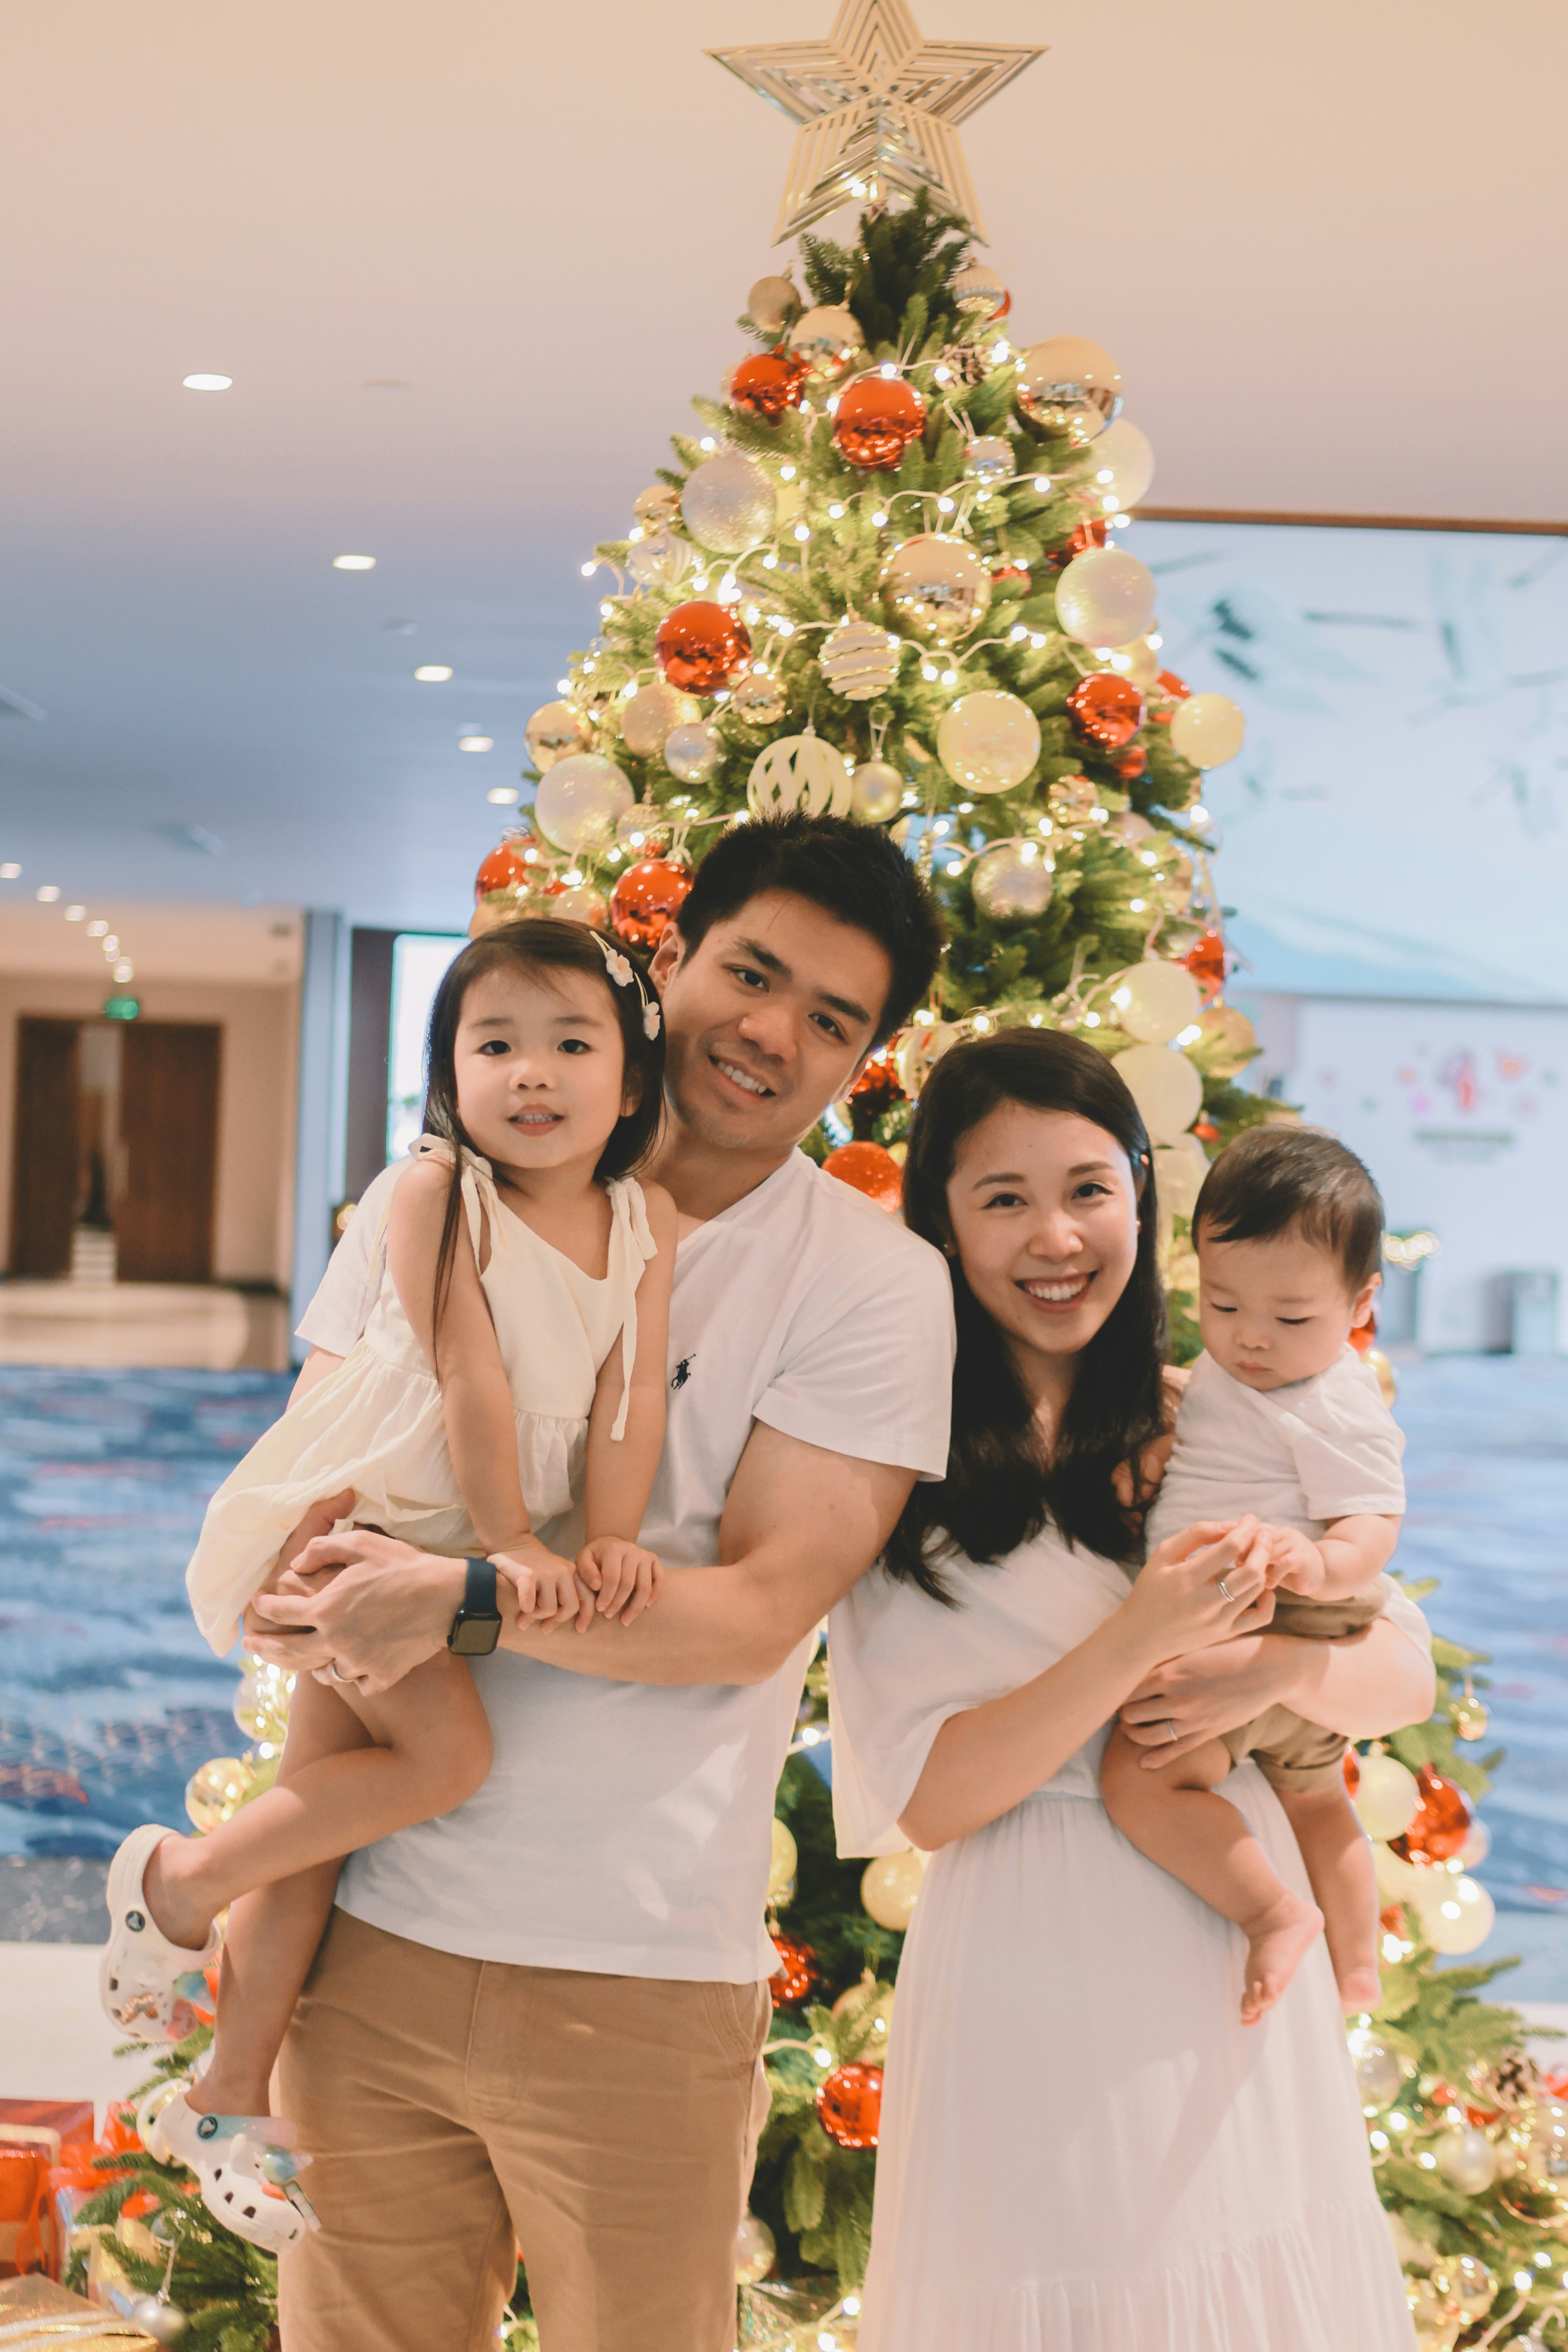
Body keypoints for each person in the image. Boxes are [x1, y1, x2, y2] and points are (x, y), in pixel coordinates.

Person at [241, 813, 954, 2352]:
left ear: (864, 1059)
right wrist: (306, 1582)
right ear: (669, 955)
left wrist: (464, 1595)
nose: (770, 1033)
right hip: (373, 1937)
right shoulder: (432, 1193)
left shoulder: (872, 1283)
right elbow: (318, 1476)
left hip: (636, 1971)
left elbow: (754, 1613)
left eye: (830, 1019)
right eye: (748, 974)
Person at [828, 1028, 1427, 2352]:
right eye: (1003, 1198)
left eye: (1089, 1189)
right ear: (942, 1221)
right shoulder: (897, 1466)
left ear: (1142, 1202)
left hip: (1227, 1937)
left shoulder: (1211, 1414)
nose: (1056, 1236)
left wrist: (1274, 1668)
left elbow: (1400, 1669)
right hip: (1027, 1955)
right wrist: (1138, 1635)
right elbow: (928, 1799)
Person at [100, 919, 675, 2251]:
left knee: (314, 1820)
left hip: (433, 1540)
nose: (531, 1071)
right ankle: (177, 1883)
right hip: (373, 1517)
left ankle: (227, 2095)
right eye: (494, 1044)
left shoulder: (636, 1220)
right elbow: (469, 1371)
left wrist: (611, 1534)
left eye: (570, 1043)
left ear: (631, 1081)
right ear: (448, 1071)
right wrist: (509, 1544)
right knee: (444, 1758)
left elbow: (631, 1395)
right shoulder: (434, 1190)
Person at [1101, 1123, 1403, 2026]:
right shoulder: (1222, 1374)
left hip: (1284, 1616)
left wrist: (1320, 1563)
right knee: (1315, 1799)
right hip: (1242, 1617)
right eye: (1223, 1305)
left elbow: (1373, 1524)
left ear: (1360, 1302)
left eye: (1291, 1318)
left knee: (1141, 1779)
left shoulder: (1337, 1400)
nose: (1251, 1339)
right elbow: (1213, 1436)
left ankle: (1275, 1913)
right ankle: (1357, 1972)